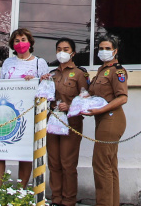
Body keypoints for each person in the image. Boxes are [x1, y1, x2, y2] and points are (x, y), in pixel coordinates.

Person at [0, 28, 50, 185]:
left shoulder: (40, 63)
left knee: (25, 151)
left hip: (30, 114)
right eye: (17, 41)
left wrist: (36, 81)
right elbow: (1, 86)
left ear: (30, 42)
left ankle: (21, 188)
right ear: (12, 44)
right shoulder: (7, 63)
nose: (20, 43)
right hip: (7, 113)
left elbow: (46, 89)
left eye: (23, 40)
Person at [83, 36, 128, 206]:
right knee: (109, 165)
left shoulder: (118, 71)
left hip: (112, 118)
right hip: (101, 120)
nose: (103, 51)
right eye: (101, 48)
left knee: (101, 164)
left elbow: (123, 98)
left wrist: (101, 110)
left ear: (115, 51)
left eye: (108, 48)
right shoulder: (102, 70)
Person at [47, 38, 89, 206]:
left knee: (67, 163)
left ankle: (69, 200)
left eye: (66, 49)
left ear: (73, 53)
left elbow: (86, 100)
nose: (62, 52)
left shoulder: (80, 74)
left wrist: (70, 106)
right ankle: (56, 199)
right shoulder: (52, 74)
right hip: (53, 122)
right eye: (59, 49)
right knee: (54, 162)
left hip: (71, 123)